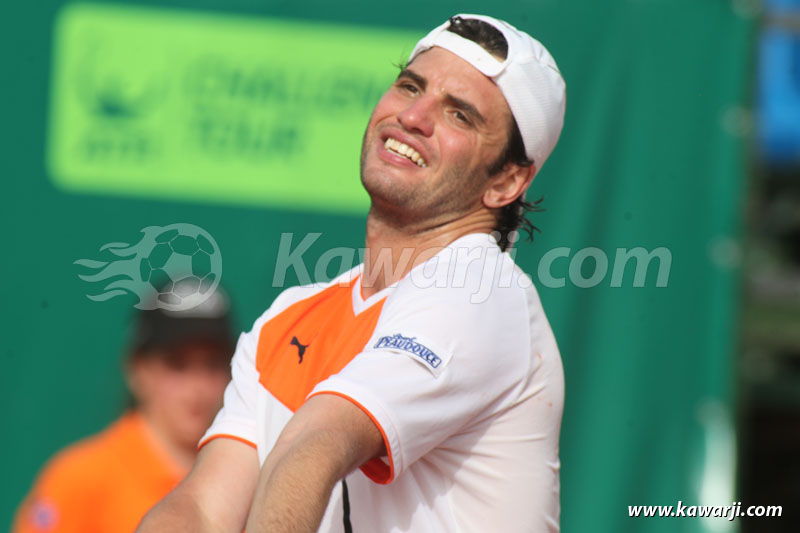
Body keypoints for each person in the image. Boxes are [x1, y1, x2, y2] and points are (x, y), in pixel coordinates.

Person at [140, 13, 566, 532]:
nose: (414, 116)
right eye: (411, 86)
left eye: (460, 116)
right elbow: (205, 508)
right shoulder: (291, 317)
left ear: (506, 182)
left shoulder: (483, 290)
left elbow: (314, 446)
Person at [13, 285, 235, 533]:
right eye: (177, 364)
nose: (197, 387)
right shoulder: (81, 479)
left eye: (212, 365)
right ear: (138, 370)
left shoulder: (243, 478)